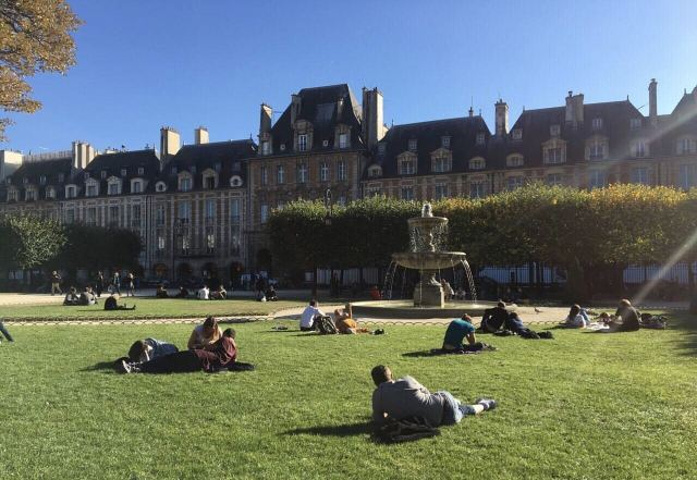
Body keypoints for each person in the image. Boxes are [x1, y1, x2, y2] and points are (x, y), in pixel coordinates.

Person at [370, 365, 497, 427]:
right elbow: (427, 393)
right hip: (444, 407)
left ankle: (459, 402)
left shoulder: (378, 396)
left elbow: (379, 419)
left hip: (434, 421)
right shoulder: (407, 381)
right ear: (391, 375)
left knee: (459, 408)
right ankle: (486, 404)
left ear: (375, 382)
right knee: (463, 409)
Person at [117, 328, 237, 374]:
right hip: (200, 365)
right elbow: (233, 361)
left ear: (226, 334)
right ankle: (136, 367)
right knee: (170, 366)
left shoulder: (225, 339)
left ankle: (134, 367)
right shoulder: (233, 350)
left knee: (167, 361)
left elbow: (207, 347)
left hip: (198, 356)